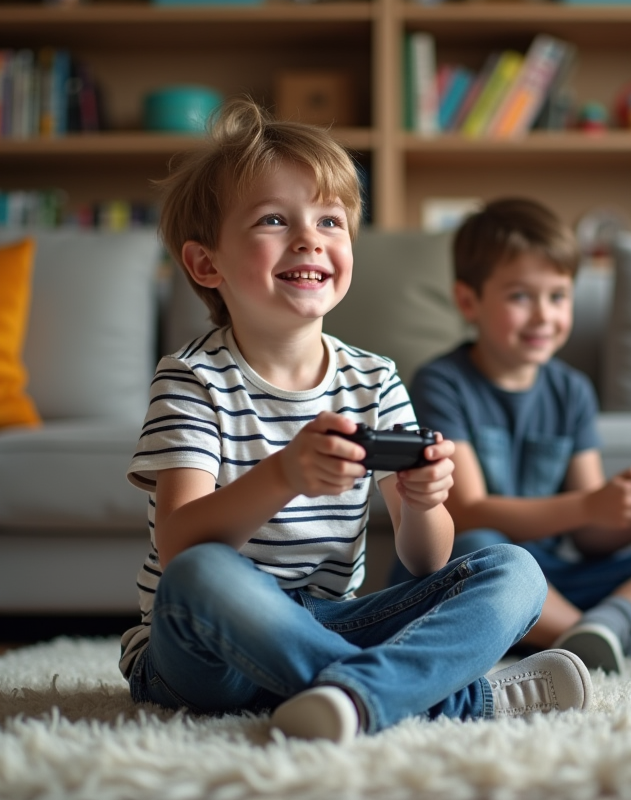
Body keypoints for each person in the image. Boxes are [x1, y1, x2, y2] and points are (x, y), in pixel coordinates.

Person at [118, 101, 592, 743]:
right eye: (274, 219)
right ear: (207, 264)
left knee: (515, 572)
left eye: (330, 221)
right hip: (203, 652)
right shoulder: (191, 378)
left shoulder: (374, 379)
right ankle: (438, 702)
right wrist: (285, 473)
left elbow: (426, 559)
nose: (309, 237)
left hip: (326, 624)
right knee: (203, 574)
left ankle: (347, 693)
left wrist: (425, 504)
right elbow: (179, 547)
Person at [389, 197, 631, 674]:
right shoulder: (442, 382)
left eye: (558, 296)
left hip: (555, 579)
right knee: (479, 547)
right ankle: (604, 637)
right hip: (482, 568)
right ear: (468, 301)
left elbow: (591, 538)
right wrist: (591, 505)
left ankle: (604, 628)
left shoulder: (572, 390)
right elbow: (467, 511)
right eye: (520, 297)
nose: (543, 316)